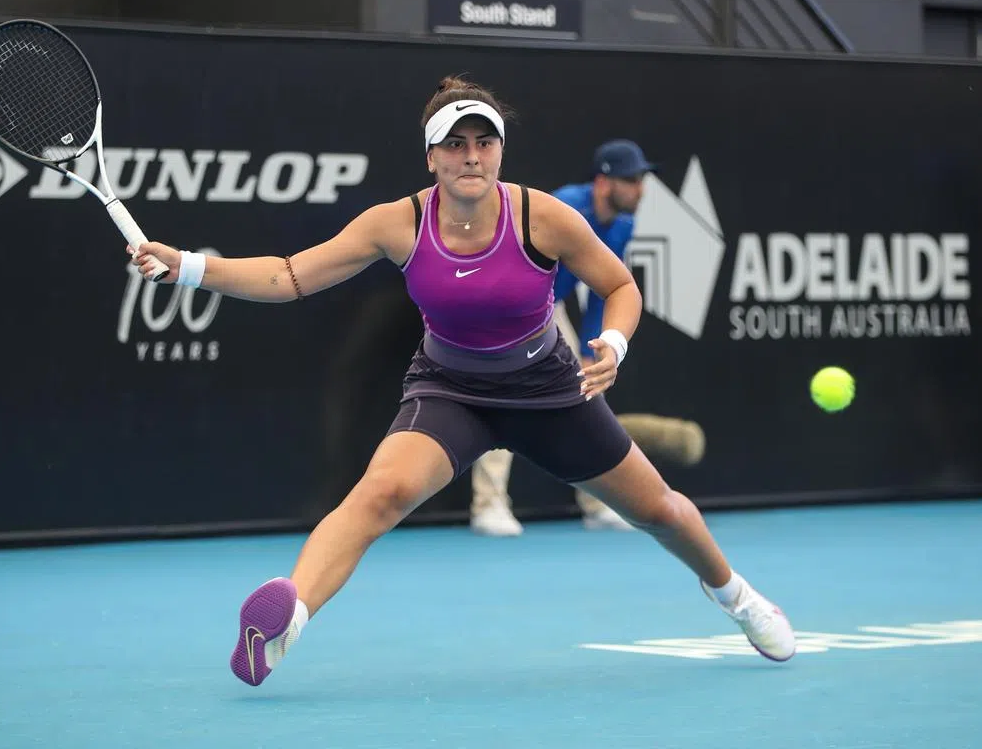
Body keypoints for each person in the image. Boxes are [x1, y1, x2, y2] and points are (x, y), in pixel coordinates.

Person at [128, 76, 797, 687]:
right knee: (380, 493)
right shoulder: (397, 222)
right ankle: (288, 618)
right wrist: (187, 266)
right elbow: (288, 275)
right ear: (431, 157)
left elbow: (620, 286)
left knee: (659, 512)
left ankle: (737, 596)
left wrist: (615, 342)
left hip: (548, 391)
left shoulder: (546, 217)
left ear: (499, 152)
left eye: (483, 142)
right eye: (454, 144)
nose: (470, 155)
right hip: (450, 390)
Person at [471, 139, 662, 537]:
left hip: (548, 307)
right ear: (603, 182)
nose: (640, 188)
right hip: (507, 306)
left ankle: (599, 503)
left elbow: (604, 288)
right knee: (503, 396)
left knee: (590, 389)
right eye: (631, 179)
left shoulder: (624, 224)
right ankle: (488, 507)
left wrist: (597, 344)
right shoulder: (564, 208)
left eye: (641, 179)